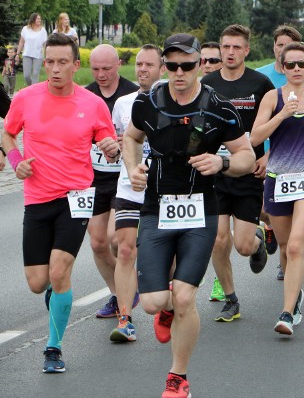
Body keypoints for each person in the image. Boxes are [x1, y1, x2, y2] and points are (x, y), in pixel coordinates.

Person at [123, 33, 254, 397]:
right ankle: (165, 311)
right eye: (173, 65)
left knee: (184, 297)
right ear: (165, 66)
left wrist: (222, 161)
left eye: (188, 65)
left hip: (200, 209)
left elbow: (247, 156)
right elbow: (131, 138)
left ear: (199, 65)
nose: (179, 72)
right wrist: (133, 168)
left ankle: (177, 378)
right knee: (152, 303)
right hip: (156, 208)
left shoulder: (219, 106)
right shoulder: (148, 102)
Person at [1, 33, 119, 372]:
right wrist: (15, 160)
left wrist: (110, 146)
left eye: (62, 63)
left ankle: (53, 348)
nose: (53, 69)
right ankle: (57, 295)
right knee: (39, 282)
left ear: (75, 66)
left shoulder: (91, 103)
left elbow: (105, 136)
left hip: (77, 198)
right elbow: (8, 133)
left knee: (59, 270)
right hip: (37, 198)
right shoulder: (25, 98)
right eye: (49, 62)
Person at [251, 42, 304, 335]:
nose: (297, 69)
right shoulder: (272, 98)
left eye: (302, 64)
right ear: (282, 68)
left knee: (296, 244)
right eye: (290, 65)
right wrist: (283, 115)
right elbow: (255, 136)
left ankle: (285, 313)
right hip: (277, 181)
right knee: (285, 247)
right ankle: (294, 296)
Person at [201, 24, 274, 321]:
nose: (230, 52)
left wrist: (269, 156)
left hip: (248, 171)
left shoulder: (261, 84)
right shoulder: (206, 84)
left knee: (242, 246)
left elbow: (281, 125)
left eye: (236, 47)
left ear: (246, 50)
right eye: (225, 46)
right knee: (218, 239)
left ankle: (257, 240)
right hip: (214, 173)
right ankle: (231, 298)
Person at [109, 44, 165, 342]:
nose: (142, 69)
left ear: (162, 69)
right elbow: (120, 144)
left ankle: (167, 301)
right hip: (130, 186)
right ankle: (125, 319)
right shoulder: (123, 103)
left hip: (165, 189)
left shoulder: (172, 100)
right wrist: (114, 149)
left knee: (165, 255)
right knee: (126, 248)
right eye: (139, 65)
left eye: (149, 65)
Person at [86, 44, 140, 318]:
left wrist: (124, 141)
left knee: (116, 239)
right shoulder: (85, 94)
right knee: (97, 243)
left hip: (122, 176)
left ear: (118, 64)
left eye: (106, 68)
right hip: (92, 177)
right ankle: (118, 294)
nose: (101, 74)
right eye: (95, 69)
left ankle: (128, 282)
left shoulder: (131, 94)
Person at [256, 25, 304, 91]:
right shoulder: (259, 75)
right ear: (274, 47)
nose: (283, 50)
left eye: (289, 46)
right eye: (280, 45)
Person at [15, 13, 48, 86]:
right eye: (38, 18)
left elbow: (45, 45)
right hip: (27, 54)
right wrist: (17, 54)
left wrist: (46, 56)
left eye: (40, 18)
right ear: (33, 19)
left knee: (35, 75)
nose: (40, 20)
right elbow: (21, 42)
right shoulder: (25, 29)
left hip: (38, 55)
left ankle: (34, 92)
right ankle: (31, 89)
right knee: (26, 76)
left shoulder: (43, 30)